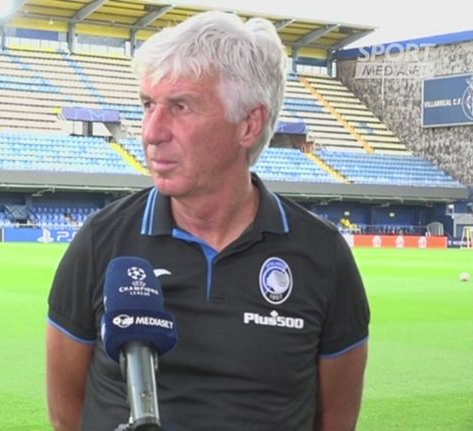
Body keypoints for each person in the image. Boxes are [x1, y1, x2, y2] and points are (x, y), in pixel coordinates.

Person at [46, 10, 369, 431]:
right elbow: (65, 413)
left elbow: (337, 419)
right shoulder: (100, 242)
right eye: (148, 105)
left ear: (249, 124)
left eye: (180, 106)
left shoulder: (323, 257)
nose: (151, 132)